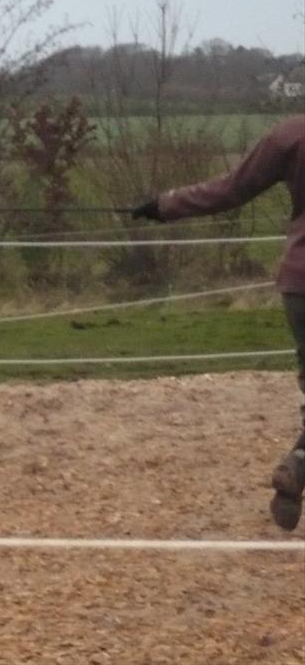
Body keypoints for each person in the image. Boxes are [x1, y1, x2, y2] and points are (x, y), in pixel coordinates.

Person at [132, 114, 304, 530]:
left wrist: (165, 205)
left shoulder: (291, 134)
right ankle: (299, 463)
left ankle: (297, 472)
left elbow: (231, 189)